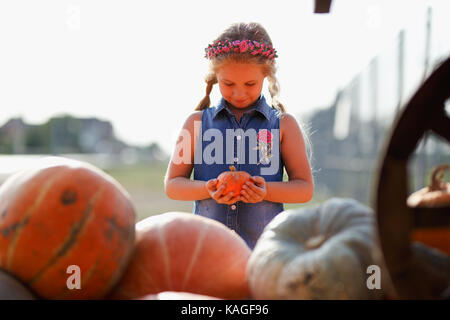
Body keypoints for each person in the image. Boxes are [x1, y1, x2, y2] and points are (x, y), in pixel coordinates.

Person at [165, 22, 313, 249]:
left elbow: (304, 189)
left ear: (267, 75)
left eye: (250, 84)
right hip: (207, 252)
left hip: (264, 253)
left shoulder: (284, 126)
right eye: (228, 83)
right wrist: (208, 189)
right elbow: (173, 185)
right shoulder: (195, 123)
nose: (239, 93)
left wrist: (265, 192)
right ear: (215, 77)